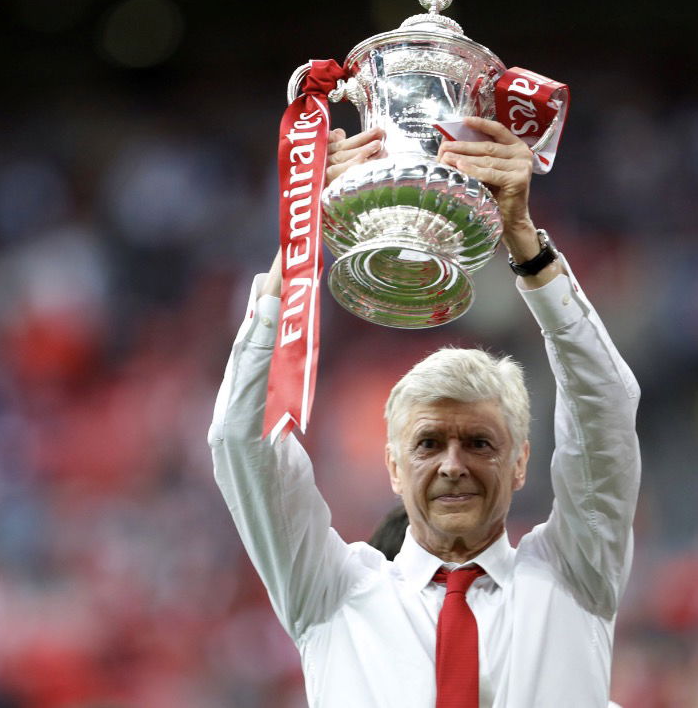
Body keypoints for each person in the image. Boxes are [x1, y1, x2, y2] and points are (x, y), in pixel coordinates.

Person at [209, 117, 641, 706]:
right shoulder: (333, 593)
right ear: (392, 467)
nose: (454, 465)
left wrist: (525, 242)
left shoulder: (573, 577)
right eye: (429, 444)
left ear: (520, 464)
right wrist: (306, 234)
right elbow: (243, 440)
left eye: (480, 443)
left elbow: (605, 411)